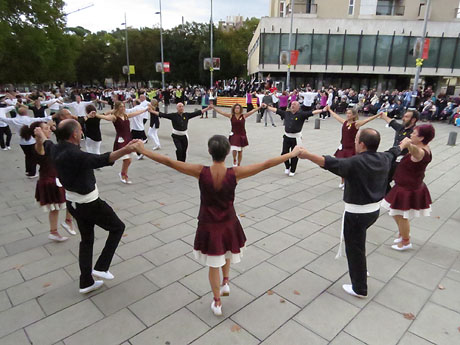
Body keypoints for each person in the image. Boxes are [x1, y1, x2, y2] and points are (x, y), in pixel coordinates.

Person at [132, 135, 301, 315]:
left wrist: (143, 151)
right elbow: (266, 164)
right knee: (227, 251)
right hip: (229, 222)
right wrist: (293, 153)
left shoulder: (200, 171)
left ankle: (217, 302)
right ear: (228, 152)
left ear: (209, 151)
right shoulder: (235, 173)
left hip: (208, 224)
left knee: (213, 264)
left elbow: (169, 162)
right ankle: (226, 282)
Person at [34, 119, 139, 294]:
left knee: (87, 240)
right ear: (75, 134)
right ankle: (101, 266)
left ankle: (86, 282)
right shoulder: (75, 155)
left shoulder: (55, 148)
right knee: (118, 227)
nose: (81, 132)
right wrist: (127, 149)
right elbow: (102, 159)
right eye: (80, 129)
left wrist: (41, 135)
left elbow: (47, 142)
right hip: (89, 203)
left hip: (73, 203)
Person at [298, 128, 403, 298]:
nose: (354, 142)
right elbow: (394, 151)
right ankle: (362, 271)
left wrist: (307, 154)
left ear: (361, 144)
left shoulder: (355, 162)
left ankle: (359, 288)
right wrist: (403, 144)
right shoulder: (384, 157)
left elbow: (330, 163)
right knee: (358, 245)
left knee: (355, 249)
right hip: (373, 212)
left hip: (357, 215)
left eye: (356, 139)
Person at [381, 124, 435, 251]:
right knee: (394, 212)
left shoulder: (421, 151)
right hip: (404, 185)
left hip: (407, 189)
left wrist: (408, 144)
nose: (411, 135)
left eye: (414, 134)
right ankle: (403, 234)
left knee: (400, 215)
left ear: (421, 138)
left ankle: (406, 241)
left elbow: (417, 153)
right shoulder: (422, 147)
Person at [25, 121, 76, 241]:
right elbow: (40, 147)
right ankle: (60, 226)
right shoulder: (39, 145)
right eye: (46, 129)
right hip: (50, 180)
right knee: (62, 203)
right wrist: (39, 136)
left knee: (64, 202)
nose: (50, 130)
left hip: (56, 177)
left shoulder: (48, 144)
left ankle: (62, 225)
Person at [262, 101, 324, 177]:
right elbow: (276, 110)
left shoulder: (302, 114)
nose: (292, 106)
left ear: (298, 107)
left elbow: (312, 112)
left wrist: (323, 110)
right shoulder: (287, 113)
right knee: (284, 153)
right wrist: (267, 107)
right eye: (292, 105)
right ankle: (287, 166)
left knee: (295, 155)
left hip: (296, 138)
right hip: (287, 137)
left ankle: (293, 170)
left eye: (294, 105)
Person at [94, 101, 148, 183]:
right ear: (117, 108)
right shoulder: (114, 117)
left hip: (128, 139)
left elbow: (136, 113)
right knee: (127, 159)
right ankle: (123, 175)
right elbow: (106, 117)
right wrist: (96, 115)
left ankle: (123, 174)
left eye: (123, 106)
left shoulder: (126, 116)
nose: (123, 108)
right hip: (121, 140)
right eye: (121, 107)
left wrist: (145, 109)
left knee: (128, 159)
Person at [328, 106, 380, 189]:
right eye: (347, 113)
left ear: (353, 115)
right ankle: (342, 181)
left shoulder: (355, 124)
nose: (347, 115)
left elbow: (367, 120)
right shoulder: (345, 122)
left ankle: (349, 182)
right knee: (341, 165)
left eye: (349, 113)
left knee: (349, 167)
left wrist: (377, 115)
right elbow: (336, 116)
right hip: (343, 148)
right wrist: (329, 109)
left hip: (351, 149)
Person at [0, 107, 54, 177]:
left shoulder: (14, 120)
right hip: (31, 142)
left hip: (22, 142)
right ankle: (32, 173)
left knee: (27, 156)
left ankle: (28, 170)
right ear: (26, 112)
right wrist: (52, 117)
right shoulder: (30, 119)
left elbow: (4, 119)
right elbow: (41, 119)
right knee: (33, 157)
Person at [380, 109, 419, 192]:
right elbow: (392, 122)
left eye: (406, 117)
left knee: (401, 184)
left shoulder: (415, 133)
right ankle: (390, 197)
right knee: (383, 180)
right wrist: (383, 116)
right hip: (394, 159)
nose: (403, 118)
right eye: (404, 116)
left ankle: (395, 199)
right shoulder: (401, 128)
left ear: (413, 120)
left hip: (404, 162)